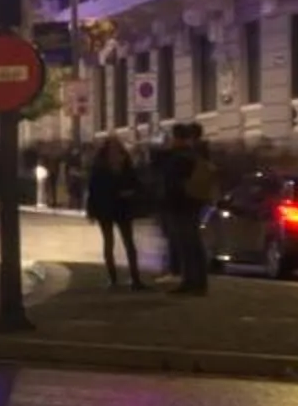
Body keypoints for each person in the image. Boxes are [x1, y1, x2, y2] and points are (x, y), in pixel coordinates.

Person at [84, 134, 147, 290]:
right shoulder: (101, 167)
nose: (114, 153)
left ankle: (134, 279)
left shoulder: (124, 165)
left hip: (120, 207)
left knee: (128, 243)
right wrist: (91, 209)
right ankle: (114, 279)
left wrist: (131, 193)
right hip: (107, 208)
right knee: (110, 243)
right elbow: (93, 189)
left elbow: (136, 184)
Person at [157, 121, 213, 294]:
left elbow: (171, 182)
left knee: (187, 243)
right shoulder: (194, 154)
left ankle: (191, 281)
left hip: (181, 204)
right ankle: (197, 281)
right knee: (193, 242)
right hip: (193, 202)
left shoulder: (180, 157)